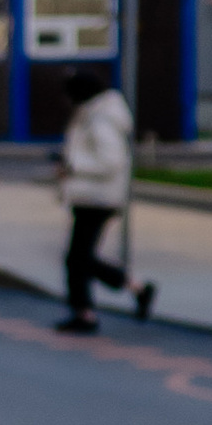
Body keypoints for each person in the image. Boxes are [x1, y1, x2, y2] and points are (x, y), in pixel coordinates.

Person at [55, 66, 155, 333]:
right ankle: (136, 288)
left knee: (77, 259)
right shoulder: (96, 114)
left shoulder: (99, 119)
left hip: (97, 197)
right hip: (93, 196)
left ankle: (85, 313)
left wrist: (73, 165)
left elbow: (111, 161)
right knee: (80, 258)